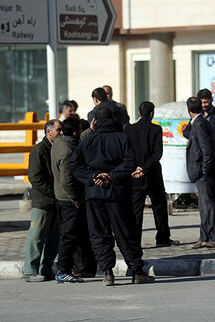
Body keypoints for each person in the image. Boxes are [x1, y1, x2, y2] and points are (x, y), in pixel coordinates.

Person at [69, 108, 155, 285]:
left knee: (99, 233)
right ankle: (137, 271)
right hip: (117, 193)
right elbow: (130, 162)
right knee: (125, 232)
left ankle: (107, 272)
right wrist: (112, 176)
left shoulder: (87, 140)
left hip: (94, 193)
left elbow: (75, 165)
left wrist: (93, 177)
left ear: (95, 122)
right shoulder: (121, 138)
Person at [51, 116, 97, 283]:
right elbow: (67, 180)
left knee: (72, 234)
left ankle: (70, 268)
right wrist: (76, 199)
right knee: (68, 236)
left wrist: (89, 130)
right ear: (75, 132)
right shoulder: (67, 151)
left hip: (62, 197)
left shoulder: (60, 142)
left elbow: (77, 140)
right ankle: (62, 270)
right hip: (69, 200)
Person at [125, 101, 175, 247]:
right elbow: (157, 153)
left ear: (139, 113)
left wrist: (136, 168)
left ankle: (135, 241)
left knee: (136, 210)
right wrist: (145, 168)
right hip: (152, 174)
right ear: (152, 114)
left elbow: (127, 152)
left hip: (135, 176)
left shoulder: (129, 129)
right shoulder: (156, 129)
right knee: (159, 207)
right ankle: (162, 237)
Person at [23, 119, 62, 282]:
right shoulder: (39, 150)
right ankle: (30, 271)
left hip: (55, 201)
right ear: (48, 131)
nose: (61, 133)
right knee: (37, 236)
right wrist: (52, 193)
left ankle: (45, 269)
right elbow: (35, 177)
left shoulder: (57, 149)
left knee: (53, 238)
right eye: (58, 130)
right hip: (43, 201)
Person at [184, 89, 215, 218]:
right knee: (206, 196)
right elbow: (187, 131)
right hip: (201, 161)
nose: (204, 105)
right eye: (202, 102)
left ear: (211, 100)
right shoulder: (196, 118)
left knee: (214, 193)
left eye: (206, 102)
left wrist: (206, 138)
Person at [185, 97, 215, 249]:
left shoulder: (200, 124)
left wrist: (204, 170)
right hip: (203, 171)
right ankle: (205, 236)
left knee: (208, 206)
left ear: (188, 110)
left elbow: (206, 149)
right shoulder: (199, 122)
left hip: (204, 172)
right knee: (205, 205)